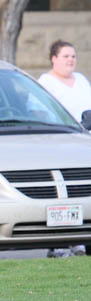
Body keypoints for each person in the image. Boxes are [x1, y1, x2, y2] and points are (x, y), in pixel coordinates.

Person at [39, 40, 91, 257]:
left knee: (81, 194)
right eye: (65, 56)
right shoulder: (46, 83)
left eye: (73, 56)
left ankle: (78, 242)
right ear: (54, 59)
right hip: (58, 145)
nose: (70, 60)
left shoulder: (81, 80)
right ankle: (59, 244)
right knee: (61, 198)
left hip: (83, 143)